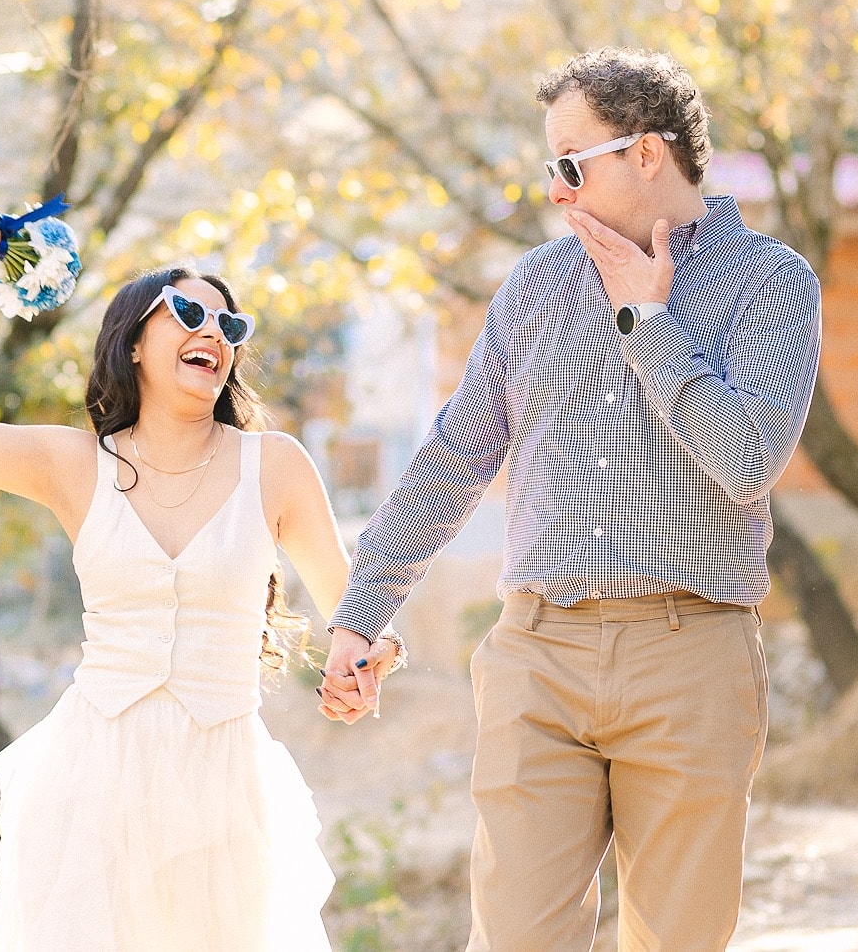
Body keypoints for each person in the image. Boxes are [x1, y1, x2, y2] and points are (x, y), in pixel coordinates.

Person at [318, 46, 822, 950]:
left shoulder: (772, 283)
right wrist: (364, 608)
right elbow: (452, 459)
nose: (555, 191)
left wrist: (648, 321)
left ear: (646, 155)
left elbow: (749, 461)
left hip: (691, 658)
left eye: (568, 163)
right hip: (536, 656)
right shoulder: (536, 287)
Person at [0, 215, 403, 951]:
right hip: (94, 783)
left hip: (226, 791)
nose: (215, 332)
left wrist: (370, 658)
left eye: (230, 323)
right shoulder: (72, 465)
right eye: (190, 313)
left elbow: (356, 613)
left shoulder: (275, 466)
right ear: (133, 341)